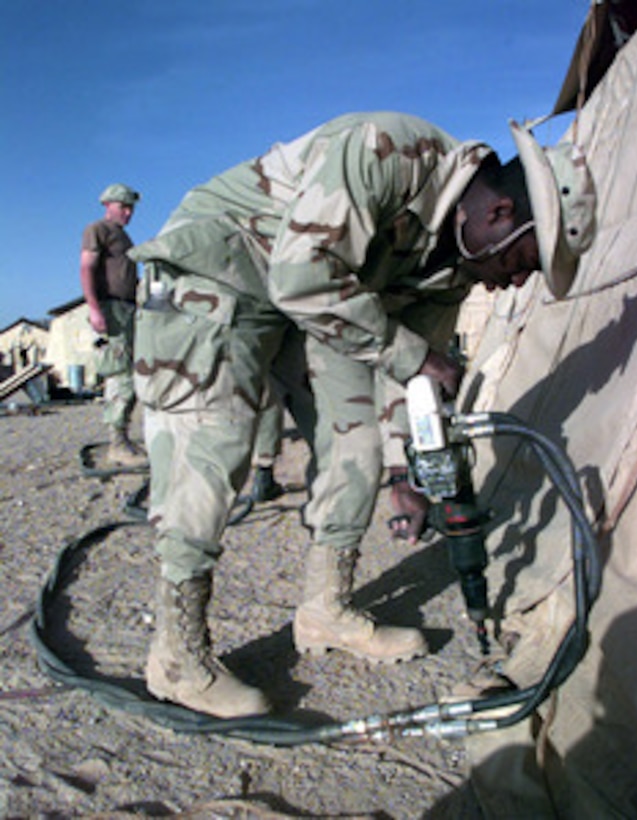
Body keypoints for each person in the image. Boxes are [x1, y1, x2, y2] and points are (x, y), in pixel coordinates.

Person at [129, 112, 596, 718]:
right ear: (499, 216)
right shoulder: (389, 153)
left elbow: (414, 376)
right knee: (215, 447)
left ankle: (325, 610)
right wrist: (413, 354)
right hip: (221, 274)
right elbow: (302, 276)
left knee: (356, 447)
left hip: (309, 303)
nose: (514, 284)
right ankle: (177, 657)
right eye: (523, 263)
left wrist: (408, 472)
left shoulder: (456, 265)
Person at [80, 183, 147, 466]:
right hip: (111, 307)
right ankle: (117, 444)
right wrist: (95, 309)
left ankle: (123, 439)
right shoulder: (99, 229)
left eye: (131, 207)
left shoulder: (124, 237)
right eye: (123, 207)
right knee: (120, 374)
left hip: (127, 308)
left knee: (132, 373)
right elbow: (87, 268)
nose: (129, 212)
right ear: (108, 205)